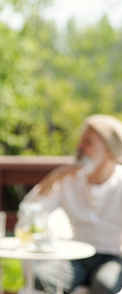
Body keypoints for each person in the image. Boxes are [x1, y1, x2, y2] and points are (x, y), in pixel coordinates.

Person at [21, 114, 122, 294]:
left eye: (87, 142)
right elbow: (30, 209)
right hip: (77, 255)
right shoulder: (69, 180)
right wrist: (55, 177)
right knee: (40, 278)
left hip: (113, 258)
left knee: (106, 286)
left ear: (108, 149)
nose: (79, 146)